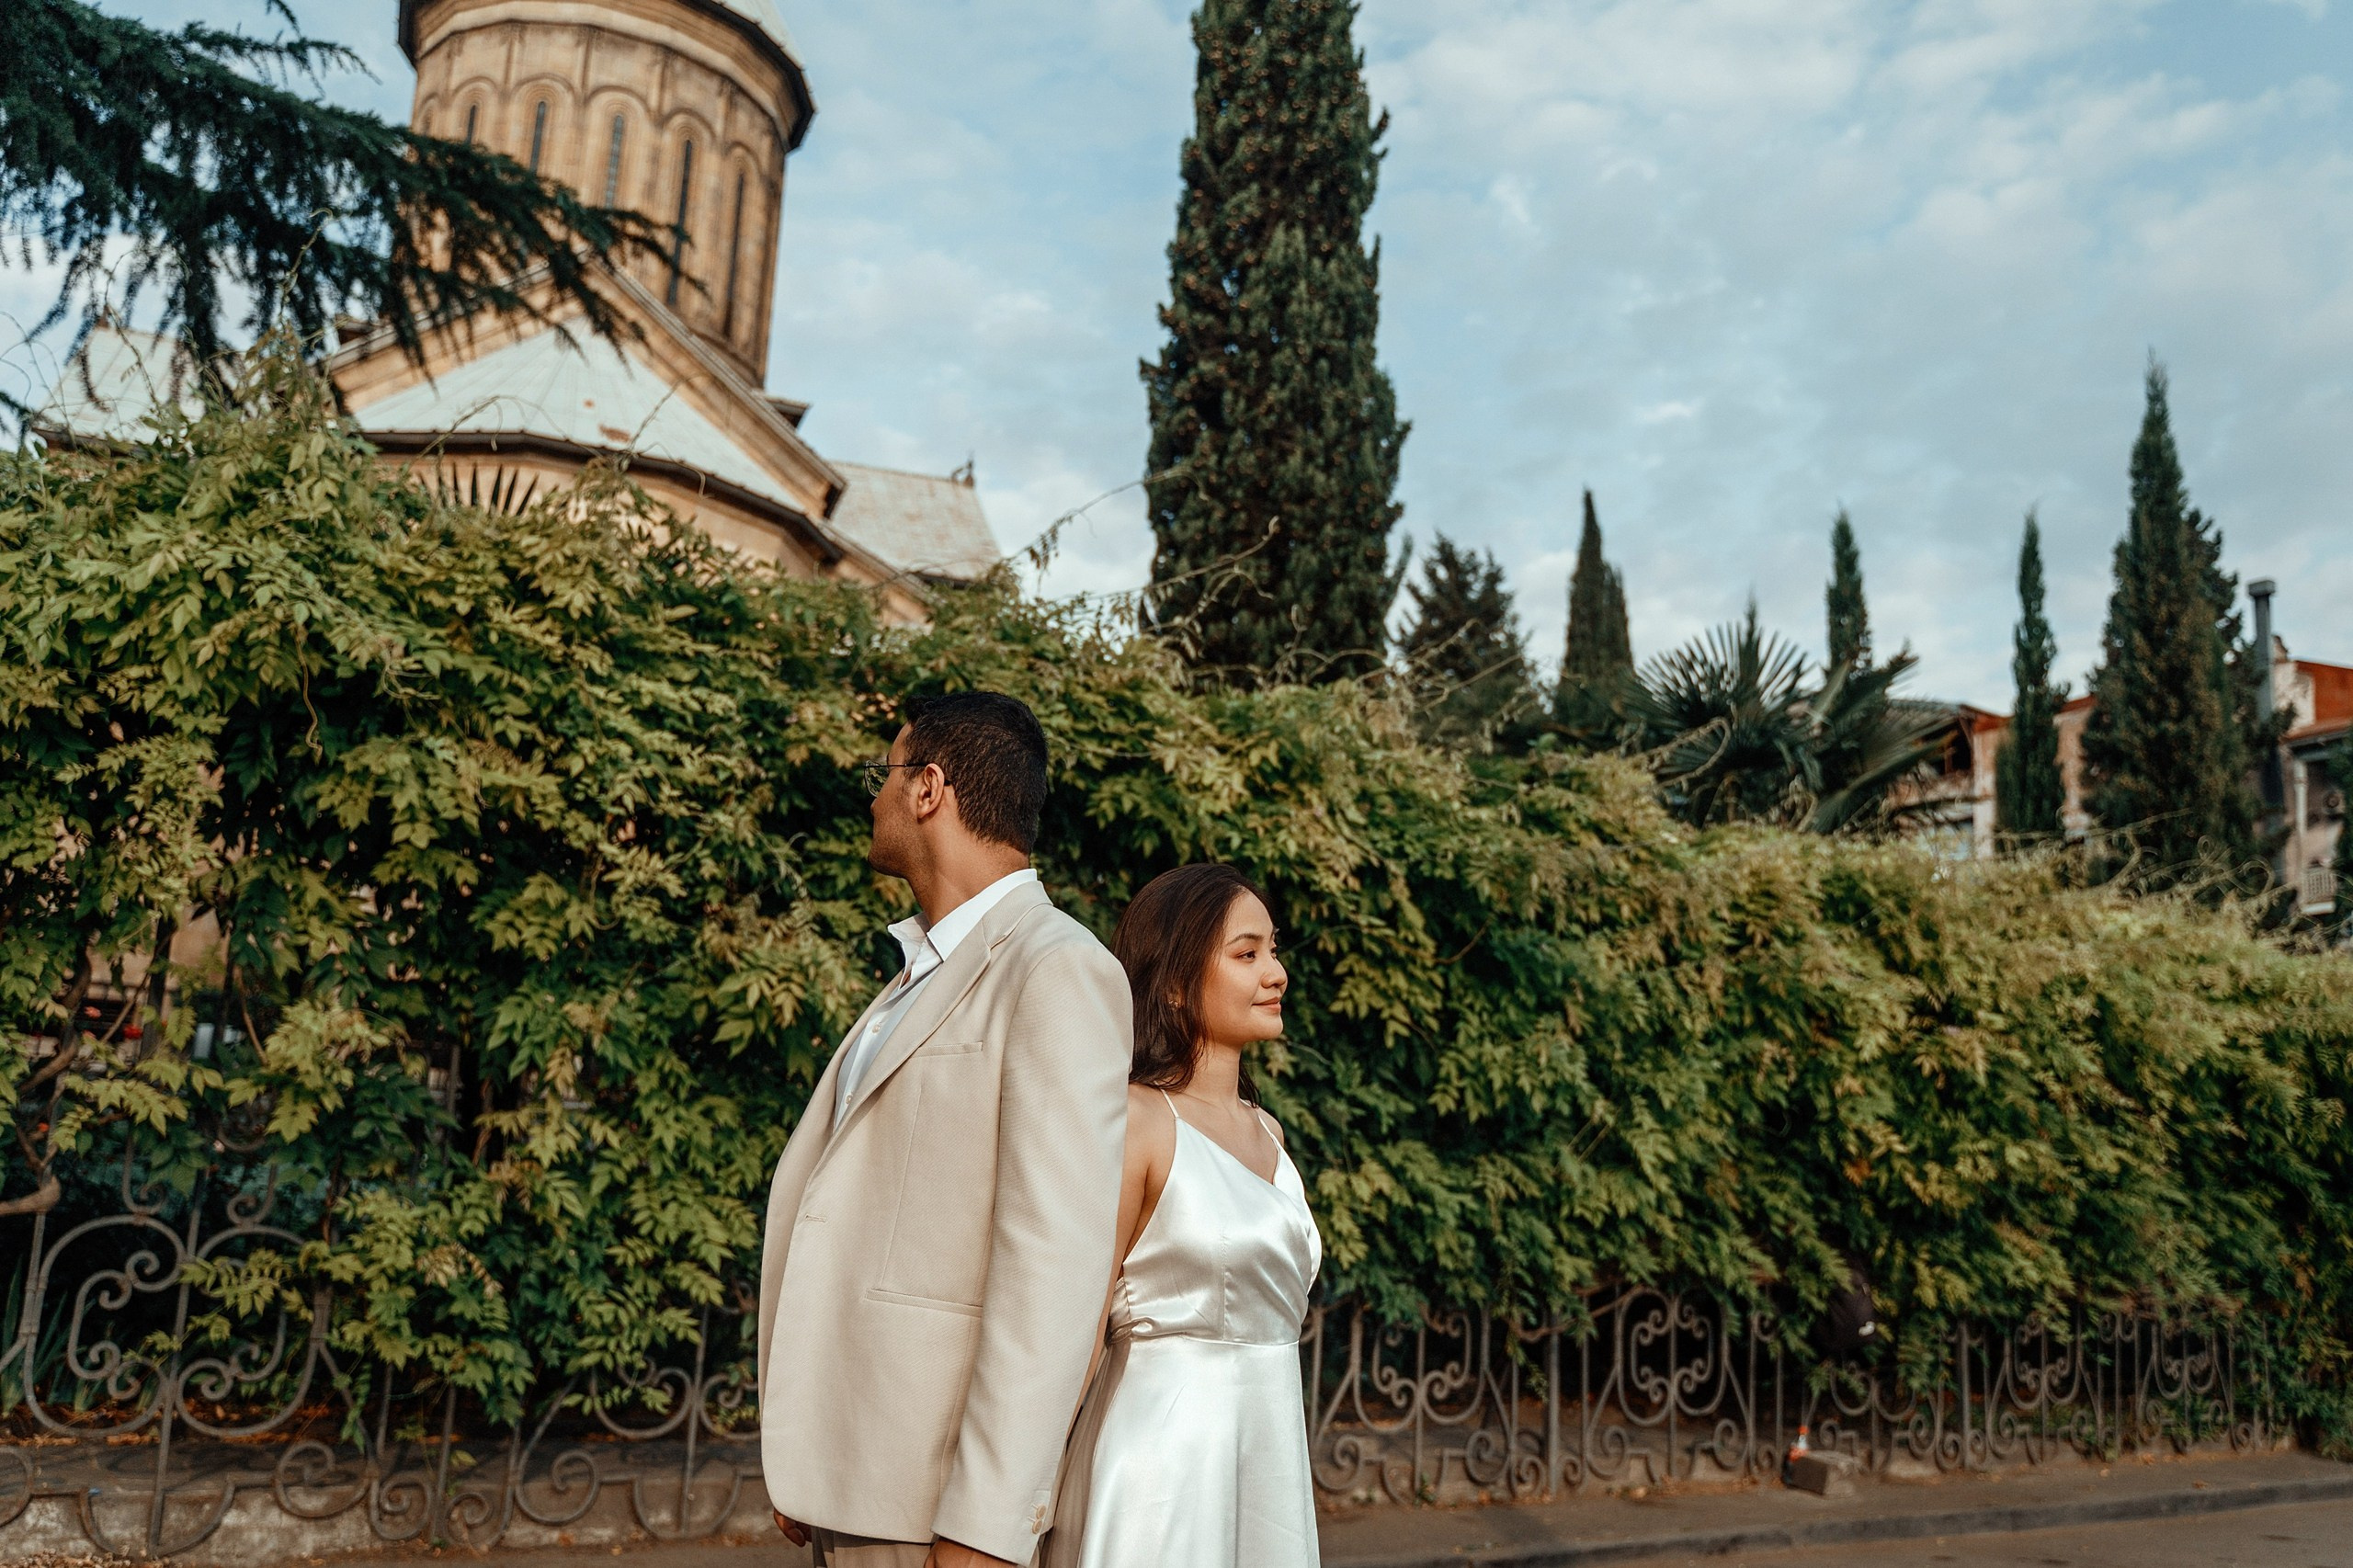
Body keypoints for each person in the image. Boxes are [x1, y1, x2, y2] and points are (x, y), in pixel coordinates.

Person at [756, 692, 1132, 1568]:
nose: (874, 796)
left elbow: (1054, 1267)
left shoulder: (1059, 969)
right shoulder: (912, 977)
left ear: (929, 788)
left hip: (936, 1507)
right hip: (849, 1476)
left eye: (884, 774)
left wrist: (988, 1525)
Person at [1048, 863, 1324, 1568]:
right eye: (1247, 953)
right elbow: (1070, 1330)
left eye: (1273, 949)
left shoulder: (1271, 1134)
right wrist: (1016, 1502)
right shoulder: (1136, 1121)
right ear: (1173, 981)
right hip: (1159, 1467)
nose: (1277, 972)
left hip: (1270, 1456)